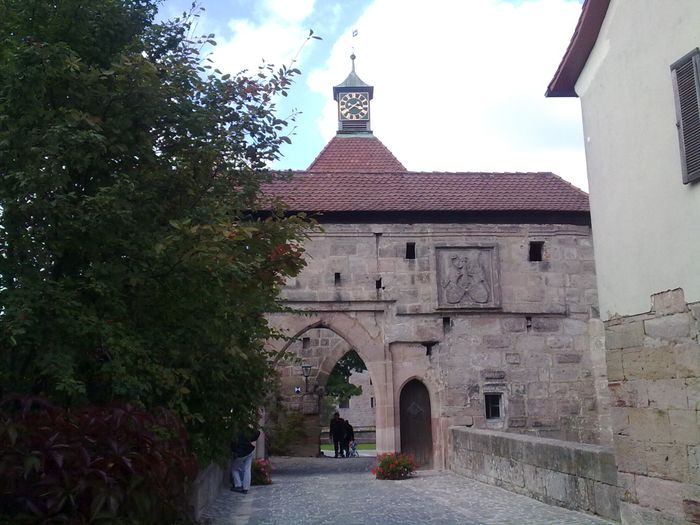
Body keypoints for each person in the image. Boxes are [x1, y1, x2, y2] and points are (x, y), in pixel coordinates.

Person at [230, 426, 261, 494]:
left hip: (241, 453)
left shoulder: (234, 432)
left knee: (234, 469)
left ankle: (238, 485)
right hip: (249, 450)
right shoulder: (245, 428)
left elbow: (233, 445)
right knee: (247, 469)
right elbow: (257, 432)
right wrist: (251, 439)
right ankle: (246, 488)